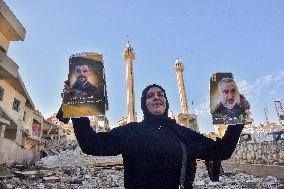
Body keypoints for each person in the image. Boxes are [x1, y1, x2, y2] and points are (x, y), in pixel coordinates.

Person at [57, 84, 247, 189]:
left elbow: (222, 151)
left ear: (166, 101)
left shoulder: (183, 133)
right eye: (150, 95)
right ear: (143, 104)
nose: (156, 97)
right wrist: (77, 107)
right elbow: (91, 145)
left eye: (160, 94)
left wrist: (237, 118)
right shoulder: (131, 132)